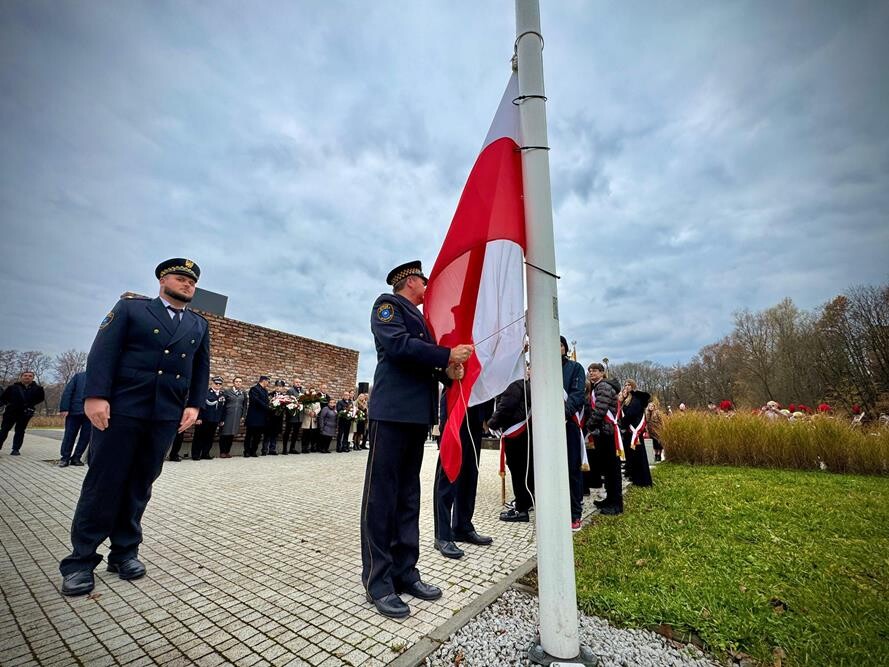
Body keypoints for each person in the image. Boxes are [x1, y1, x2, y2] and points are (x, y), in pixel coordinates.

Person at [58, 258, 210, 596]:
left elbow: (201, 368)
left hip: (165, 414)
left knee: (141, 483)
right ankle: (80, 561)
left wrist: (194, 405)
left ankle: (124, 552)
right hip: (123, 409)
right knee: (104, 483)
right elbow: (103, 353)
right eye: (180, 277)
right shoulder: (132, 310)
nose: (187, 284)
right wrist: (96, 396)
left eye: (192, 281)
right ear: (162, 280)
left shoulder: (198, 325)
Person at [361, 260, 472, 619]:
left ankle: (405, 572)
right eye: (424, 280)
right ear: (410, 281)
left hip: (415, 417)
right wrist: (445, 354)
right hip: (391, 414)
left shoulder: (422, 321)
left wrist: (448, 372)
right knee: (382, 497)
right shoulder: (387, 306)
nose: (428, 286)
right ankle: (378, 581)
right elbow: (399, 347)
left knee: (408, 496)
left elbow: (423, 362)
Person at [432, 397, 495, 558]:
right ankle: (442, 534)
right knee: (447, 475)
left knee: (470, 474)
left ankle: (462, 526)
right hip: (456, 409)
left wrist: (487, 416)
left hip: (476, 414)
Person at [489, 375, 534, 522]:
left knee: (518, 472)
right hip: (522, 431)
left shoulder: (513, 383)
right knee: (525, 471)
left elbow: (506, 407)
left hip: (516, 431)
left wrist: (492, 424)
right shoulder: (522, 383)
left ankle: (521, 509)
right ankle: (526, 502)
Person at [585, 363, 622, 515]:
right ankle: (610, 498)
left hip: (607, 432)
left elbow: (600, 410)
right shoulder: (597, 387)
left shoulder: (604, 386)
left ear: (602, 372)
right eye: (589, 371)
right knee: (607, 469)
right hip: (602, 432)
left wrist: (589, 425)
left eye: (594, 371)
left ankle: (616, 504)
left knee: (612, 469)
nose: (591, 373)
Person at [560, 336, 586, 532]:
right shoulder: (541, 367)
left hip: (568, 423)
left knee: (572, 469)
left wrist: (562, 414)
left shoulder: (575, 368)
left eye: (559, 345)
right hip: (546, 426)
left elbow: (577, 395)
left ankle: (575, 513)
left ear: (565, 348)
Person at [0, 371, 46, 455]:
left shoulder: (38, 389)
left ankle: (16, 449)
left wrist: (31, 405)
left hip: (25, 413)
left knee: (20, 431)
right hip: (11, 412)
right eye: (25, 375)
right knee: (4, 430)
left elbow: (40, 398)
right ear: (21, 377)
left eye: (30, 376)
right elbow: (4, 398)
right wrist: (10, 404)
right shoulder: (12, 387)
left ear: (33, 378)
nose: (27, 377)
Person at [619, 379, 652, 487]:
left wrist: (622, 423)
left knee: (639, 456)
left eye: (629, 385)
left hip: (635, 432)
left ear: (633, 386)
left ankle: (642, 481)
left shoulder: (636, 399)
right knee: (632, 456)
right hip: (629, 432)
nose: (627, 386)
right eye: (625, 385)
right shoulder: (627, 399)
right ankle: (634, 478)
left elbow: (631, 414)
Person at [58, 371, 91, 467]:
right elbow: (68, 392)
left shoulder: (101, 377)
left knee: (86, 437)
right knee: (69, 435)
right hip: (74, 411)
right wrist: (64, 408)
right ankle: (65, 458)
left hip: (91, 413)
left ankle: (76, 458)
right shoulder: (79, 377)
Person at [191, 376, 225, 460]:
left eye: (220, 384)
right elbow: (200, 406)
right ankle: (196, 454)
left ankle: (205, 453)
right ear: (212, 383)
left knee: (209, 437)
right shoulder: (205, 393)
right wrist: (198, 418)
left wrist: (221, 419)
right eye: (216, 383)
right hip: (204, 419)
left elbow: (222, 409)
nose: (218, 385)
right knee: (199, 437)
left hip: (214, 419)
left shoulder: (222, 395)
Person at [219, 377, 247, 458]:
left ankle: (227, 451)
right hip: (227, 416)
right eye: (237, 381)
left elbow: (245, 406)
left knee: (232, 434)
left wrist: (243, 416)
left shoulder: (243, 393)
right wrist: (221, 418)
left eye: (240, 382)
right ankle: (222, 452)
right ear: (233, 383)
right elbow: (222, 404)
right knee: (224, 433)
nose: (238, 383)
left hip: (237, 416)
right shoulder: (227, 392)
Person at [243, 376, 270, 457]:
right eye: (268, 381)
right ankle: (247, 451)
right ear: (263, 381)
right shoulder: (254, 389)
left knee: (258, 435)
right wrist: (267, 406)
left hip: (262, 416)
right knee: (249, 435)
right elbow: (256, 400)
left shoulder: (265, 390)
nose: (268, 383)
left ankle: (253, 451)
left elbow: (266, 400)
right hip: (253, 416)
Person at [262, 380, 287, 455]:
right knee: (267, 434)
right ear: (275, 387)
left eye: (280, 386)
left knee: (275, 433)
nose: (278, 388)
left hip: (278, 418)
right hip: (270, 417)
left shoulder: (284, 397)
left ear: (283, 388)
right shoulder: (270, 395)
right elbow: (266, 405)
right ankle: (264, 449)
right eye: (277, 386)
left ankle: (272, 449)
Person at [282, 377, 303, 454]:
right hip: (291, 415)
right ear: (293, 383)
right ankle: (284, 449)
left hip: (299, 416)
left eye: (299, 382)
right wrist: (294, 405)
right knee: (287, 432)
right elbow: (287, 402)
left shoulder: (303, 391)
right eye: (297, 382)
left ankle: (292, 448)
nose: (298, 383)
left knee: (295, 433)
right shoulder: (290, 390)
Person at [300, 388, 321, 453]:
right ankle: (304, 448)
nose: (312, 393)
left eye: (313, 391)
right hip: (307, 419)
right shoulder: (306, 399)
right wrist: (309, 412)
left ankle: (312, 447)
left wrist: (314, 412)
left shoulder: (317, 400)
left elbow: (319, 408)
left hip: (314, 419)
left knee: (313, 434)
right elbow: (304, 408)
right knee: (305, 434)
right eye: (311, 391)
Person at [645, 397, 665, 462]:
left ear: (654, 407)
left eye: (652, 406)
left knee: (659, 443)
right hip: (651, 431)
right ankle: (656, 454)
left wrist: (663, 428)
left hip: (658, 430)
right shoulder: (647, 413)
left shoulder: (657, 412)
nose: (651, 407)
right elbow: (646, 422)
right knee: (654, 444)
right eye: (649, 406)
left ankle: (659, 455)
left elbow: (661, 420)